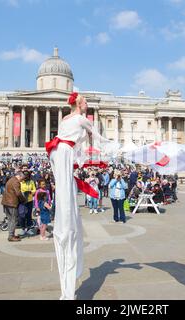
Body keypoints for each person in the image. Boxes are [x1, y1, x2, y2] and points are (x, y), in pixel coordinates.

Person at [46, 92, 118, 300]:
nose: (87, 104)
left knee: (64, 198)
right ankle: (67, 288)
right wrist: (114, 148)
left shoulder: (64, 120)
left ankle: (67, 288)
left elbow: (75, 144)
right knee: (67, 208)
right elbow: (99, 137)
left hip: (58, 155)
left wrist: (81, 160)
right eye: (85, 101)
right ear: (78, 103)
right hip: (64, 154)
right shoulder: (81, 119)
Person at [1, 171, 26, 242]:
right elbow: (18, 193)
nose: (22, 180)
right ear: (19, 176)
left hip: (6, 202)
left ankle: (11, 234)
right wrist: (23, 199)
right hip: (12, 203)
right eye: (22, 178)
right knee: (13, 220)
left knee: (10, 219)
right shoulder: (16, 182)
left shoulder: (11, 180)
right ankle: (11, 236)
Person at [20, 171, 37, 236]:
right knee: (22, 215)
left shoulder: (31, 182)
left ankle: (29, 228)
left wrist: (31, 192)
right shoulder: (20, 182)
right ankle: (23, 228)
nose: (26, 176)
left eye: (27, 175)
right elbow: (18, 189)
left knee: (28, 215)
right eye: (25, 175)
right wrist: (22, 192)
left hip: (29, 200)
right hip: (22, 201)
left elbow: (34, 190)